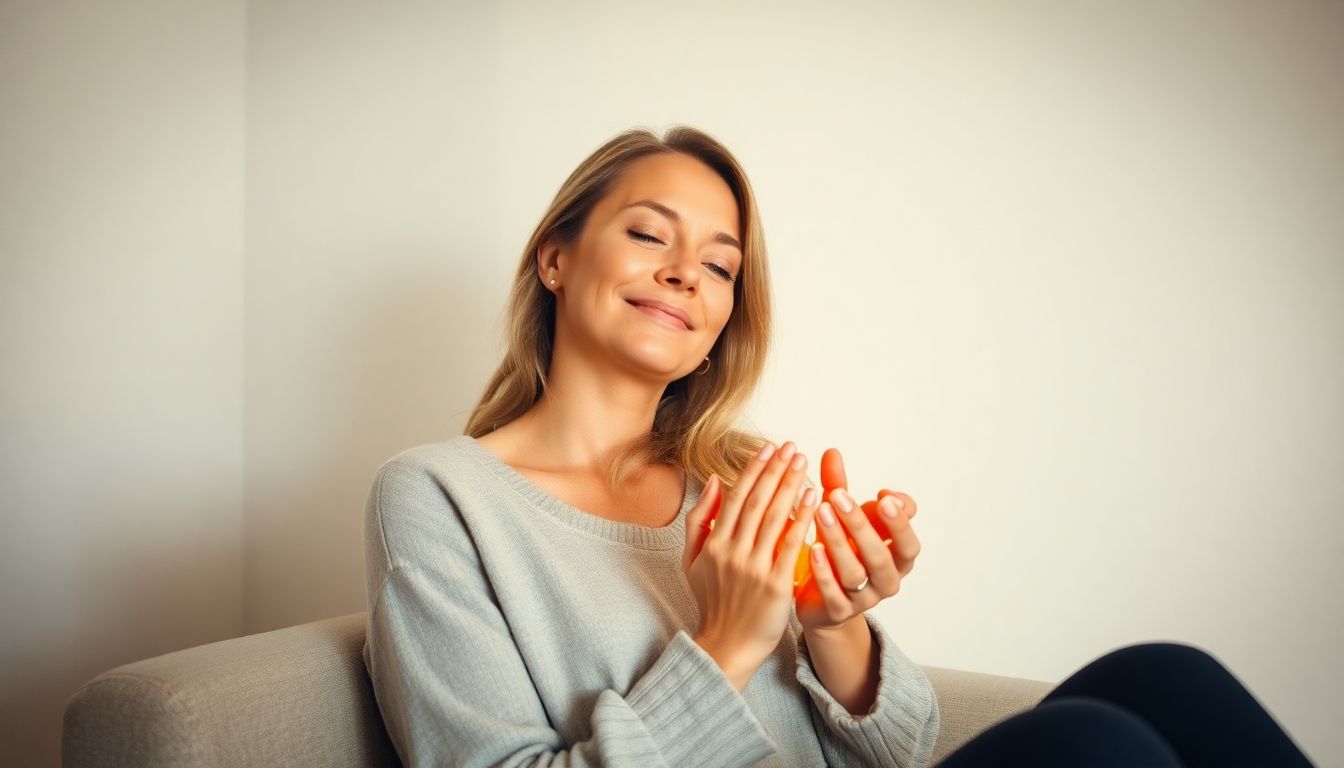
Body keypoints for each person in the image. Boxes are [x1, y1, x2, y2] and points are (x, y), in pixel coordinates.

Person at [361, 127, 1314, 767]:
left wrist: (833, 625)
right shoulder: (440, 498)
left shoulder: (738, 479)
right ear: (557, 257)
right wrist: (728, 641)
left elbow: (902, 751)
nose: (686, 270)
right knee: (1093, 744)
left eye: (721, 264)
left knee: (1166, 675)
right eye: (649, 232)